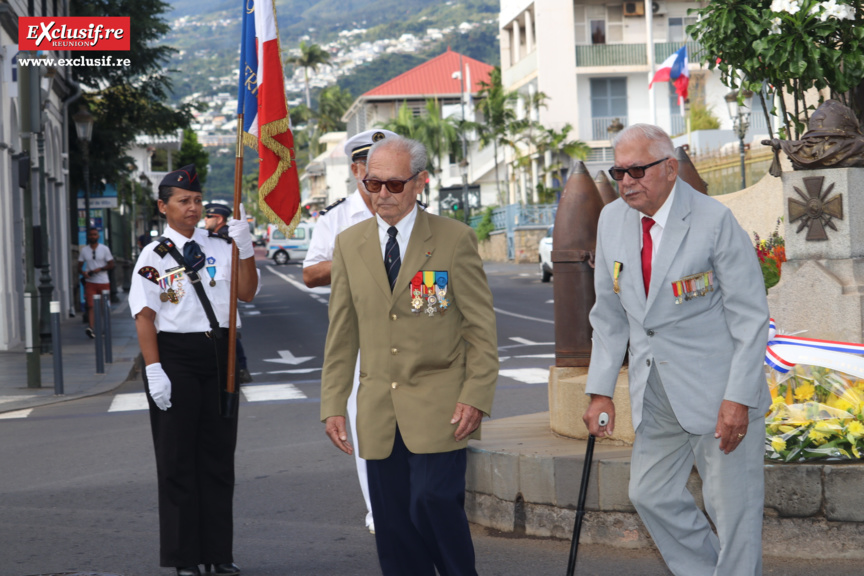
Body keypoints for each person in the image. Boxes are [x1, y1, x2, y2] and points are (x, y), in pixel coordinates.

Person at [581, 124, 770, 576]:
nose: (626, 182)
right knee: (650, 494)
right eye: (618, 172)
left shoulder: (713, 219)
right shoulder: (611, 220)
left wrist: (738, 399)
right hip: (657, 390)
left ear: (669, 168)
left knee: (733, 513)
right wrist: (600, 390)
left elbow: (750, 316)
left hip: (720, 392)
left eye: (637, 171)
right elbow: (609, 315)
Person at [320, 135, 498, 576]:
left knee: (433, 501)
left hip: (441, 406)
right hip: (379, 408)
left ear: (420, 183)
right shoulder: (348, 244)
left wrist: (475, 395)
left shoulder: (454, 240)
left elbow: (480, 328)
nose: (382, 194)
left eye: (394, 185)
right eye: (372, 183)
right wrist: (333, 405)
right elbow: (342, 334)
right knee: (394, 526)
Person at [130, 164, 258, 576]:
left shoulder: (221, 247)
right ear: (163, 206)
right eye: (183, 201)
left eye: (197, 201)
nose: (192, 207)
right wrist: (154, 370)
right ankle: (185, 558)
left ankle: (219, 554)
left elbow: (246, 292)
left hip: (221, 354)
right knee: (177, 460)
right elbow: (145, 316)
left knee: (219, 459)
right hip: (177, 356)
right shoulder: (152, 256)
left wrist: (247, 250)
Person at [303, 128, 397, 534]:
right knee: (367, 424)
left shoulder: (410, 209)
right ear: (357, 170)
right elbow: (310, 273)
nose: (379, 179)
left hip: (410, 332)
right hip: (363, 336)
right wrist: (356, 258)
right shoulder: (337, 219)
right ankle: (378, 506)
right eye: (371, 169)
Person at [204, 202, 253, 384]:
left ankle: (241, 368)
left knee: (226, 331)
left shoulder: (224, 238)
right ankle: (241, 367)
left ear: (219, 219)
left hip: (225, 293)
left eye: (209, 217)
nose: (205, 219)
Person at [78, 226, 115, 338]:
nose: (93, 236)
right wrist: (83, 272)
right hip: (90, 282)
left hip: (103, 281)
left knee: (105, 306)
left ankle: (106, 328)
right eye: (91, 234)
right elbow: (79, 266)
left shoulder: (104, 249)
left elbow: (111, 264)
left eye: (95, 234)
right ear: (88, 236)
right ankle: (91, 328)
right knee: (91, 306)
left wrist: (100, 269)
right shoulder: (84, 250)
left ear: (98, 236)